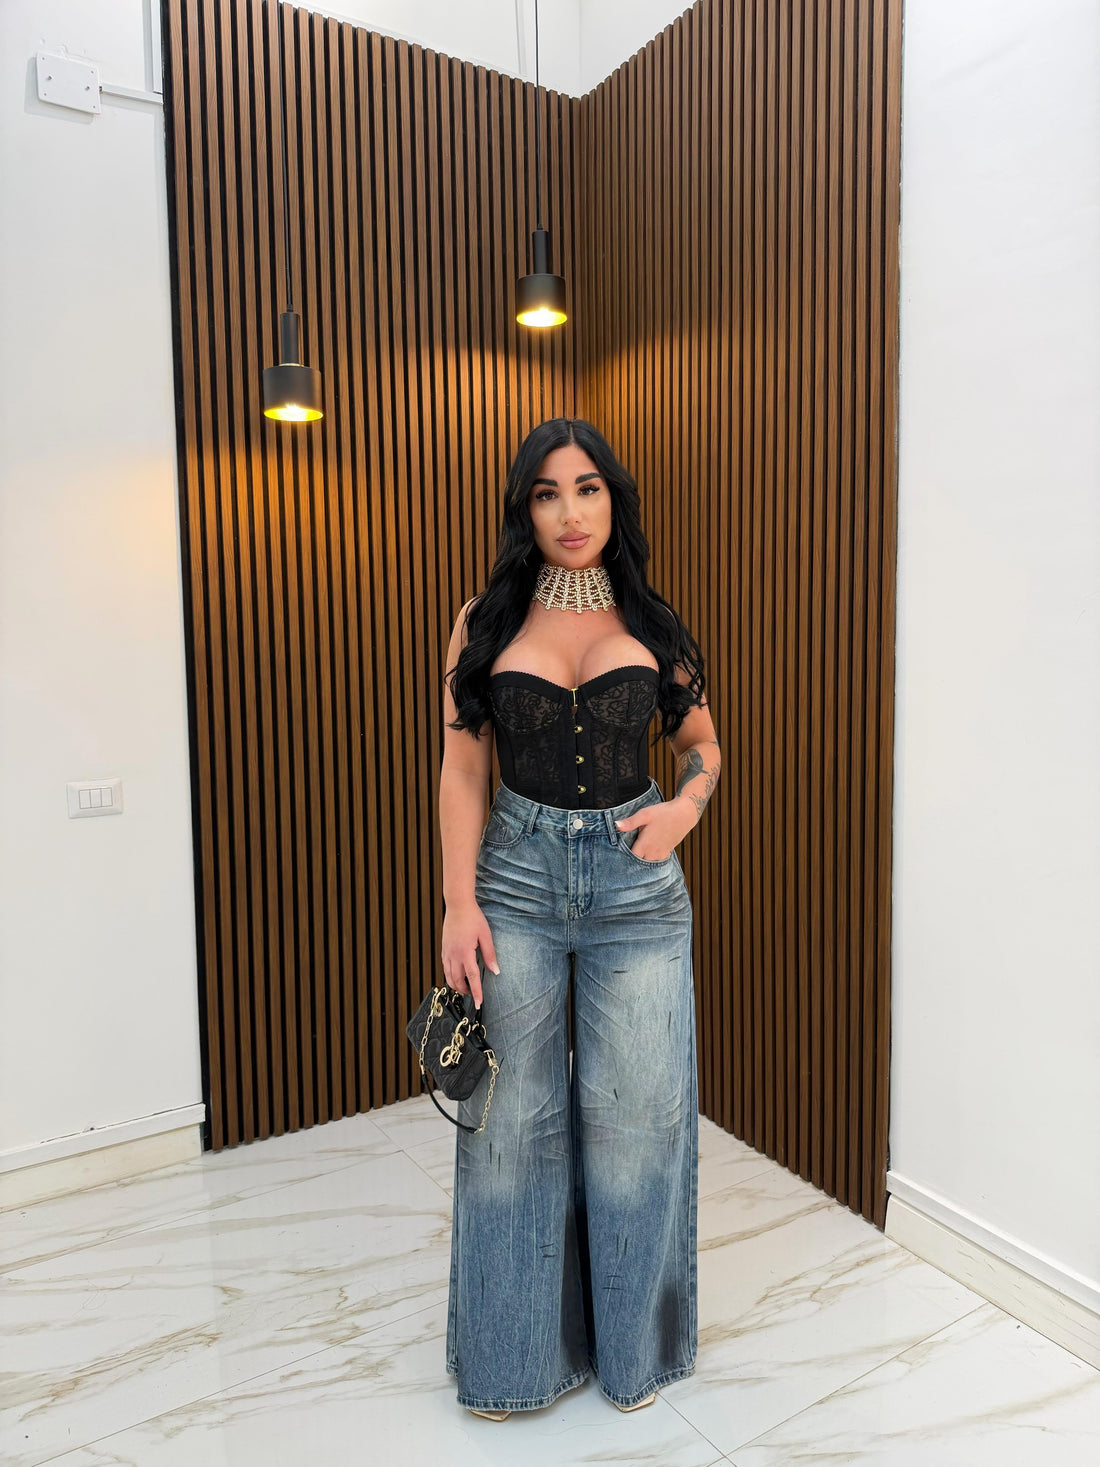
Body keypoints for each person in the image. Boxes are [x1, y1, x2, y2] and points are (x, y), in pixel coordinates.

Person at [438, 417, 720, 1420]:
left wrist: (684, 808)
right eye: (548, 492)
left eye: (588, 488)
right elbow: (462, 767)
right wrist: (457, 902)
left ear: (613, 500)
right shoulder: (483, 620)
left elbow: (701, 743)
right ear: (525, 508)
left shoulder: (650, 619)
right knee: (510, 1124)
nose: (569, 511)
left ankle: (634, 1356)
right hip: (513, 879)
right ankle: (511, 1362)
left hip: (634, 888)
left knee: (637, 1118)